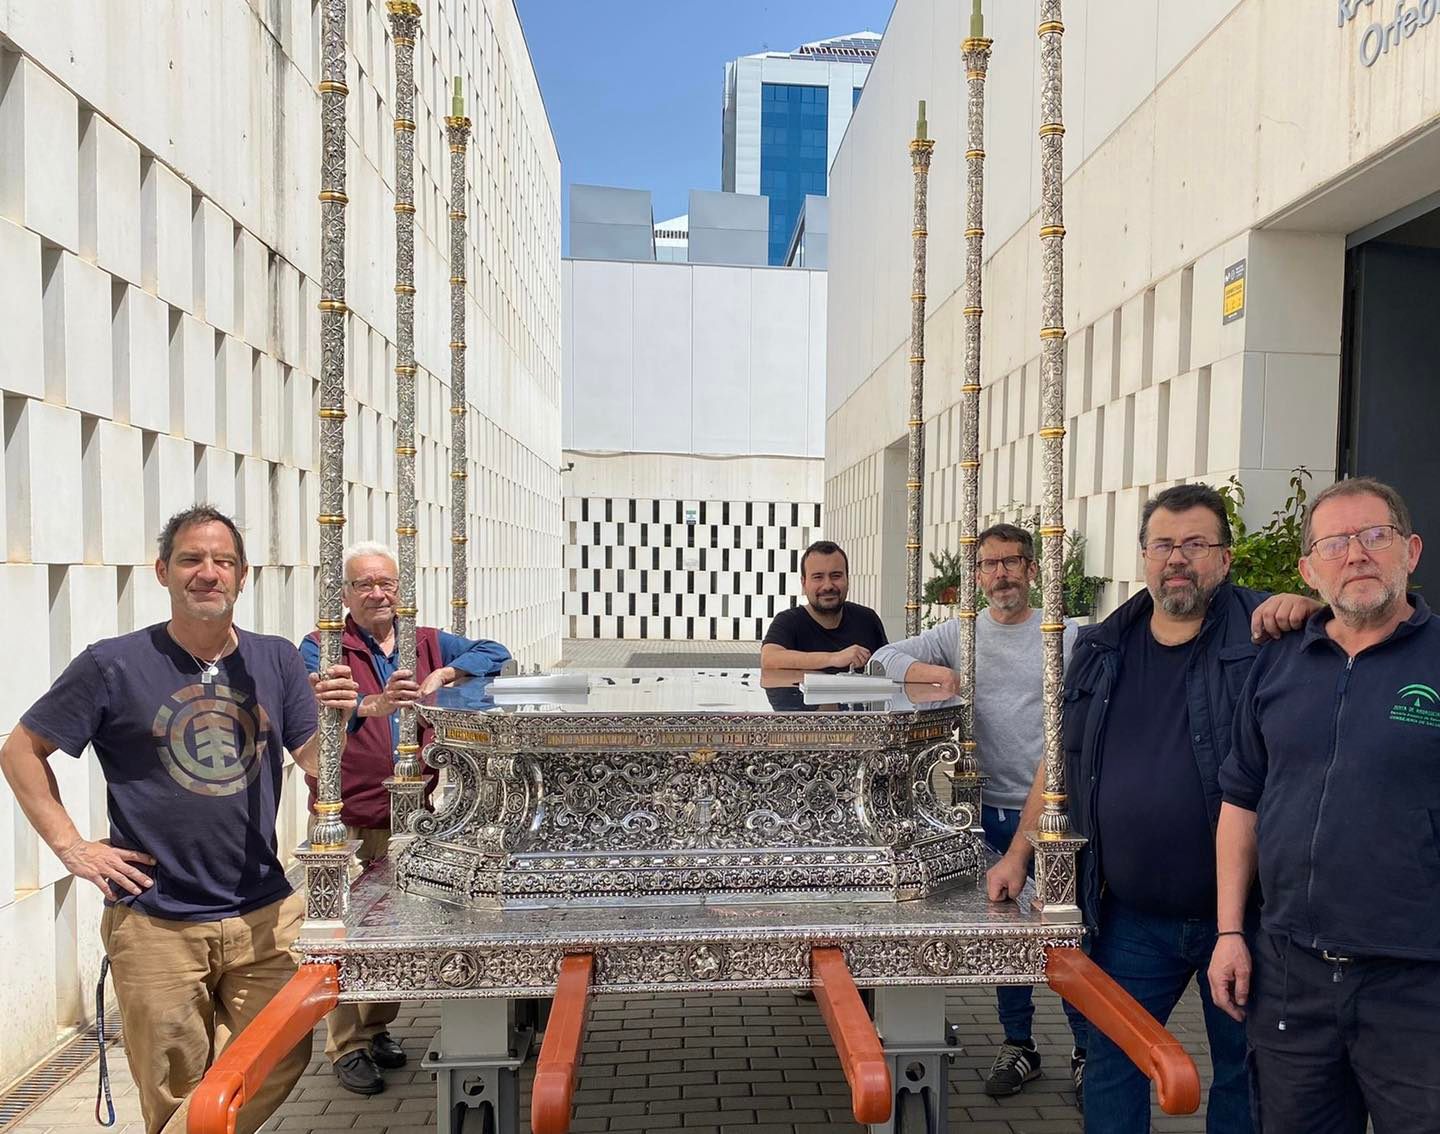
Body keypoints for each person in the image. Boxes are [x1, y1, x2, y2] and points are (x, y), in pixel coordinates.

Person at [0, 505, 358, 1134]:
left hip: (264, 911)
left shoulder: (275, 660)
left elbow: (313, 764)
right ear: (163, 571)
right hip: (156, 920)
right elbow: (21, 751)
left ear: (242, 575)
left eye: (223, 561)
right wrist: (72, 848)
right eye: (191, 559)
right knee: (173, 1085)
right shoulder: (112, 664)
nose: (208, 573)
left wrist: (339, 722)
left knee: (280, 1051)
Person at [985, 483, 1320, 1134]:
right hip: (1131, 917)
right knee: (1112, 1063)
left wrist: (1313, 608)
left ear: (1225, 558)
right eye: (1163, 544)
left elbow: (1352, 642)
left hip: (1247, 918)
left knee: (1246, 1074)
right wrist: (1018, 854)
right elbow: (1060, 757)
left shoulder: (1267, 635)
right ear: (1143, 555)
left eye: (1196, 544)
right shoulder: (1102, 647)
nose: (1178, 558)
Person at [1210, 477, 1440, 1133]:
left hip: (1417, 984)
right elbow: (1241, 802)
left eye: (1375, 536)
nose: (1356, 554)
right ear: (1309, 569)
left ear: (1411, 551)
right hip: (1291, 976)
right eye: (1335, 543)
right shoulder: (1279, 661)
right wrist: (1230, 933)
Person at [873, 523, 1089, 1107]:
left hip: (1059, 817)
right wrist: (933, 674)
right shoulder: (959, 632)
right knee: (1004, 937)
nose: (1001, 575)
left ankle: (1086, 1049)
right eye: (989, 565)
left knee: (1072, 936)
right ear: (977, 575)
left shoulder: (1064, 635)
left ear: (1032, 569)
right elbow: (884, 658)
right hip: (989, 812)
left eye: (1011, 562)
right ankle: (1019, 1044)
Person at [299, 539, 510, 1095]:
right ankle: (346, 1046)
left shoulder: (426, 642)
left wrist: (445, 675)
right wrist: (367, 706)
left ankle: (375, 1028)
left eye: (386, 583)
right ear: (345, 593)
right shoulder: (324, 645)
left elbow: (495, 651)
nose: (377, 593)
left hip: (410, 812)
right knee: (341, 932)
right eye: (364, 584)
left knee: (394, 926)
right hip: (344, 813)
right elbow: (315, 705)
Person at [761, 540, 887, 672]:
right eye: (818, 577)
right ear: (803, 583)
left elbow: (888, 662)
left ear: (848, 580)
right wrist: (834, 658)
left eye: (836, 576)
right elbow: (769, 658)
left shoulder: (867, 620)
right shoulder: (788, 621)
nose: (828, 586)